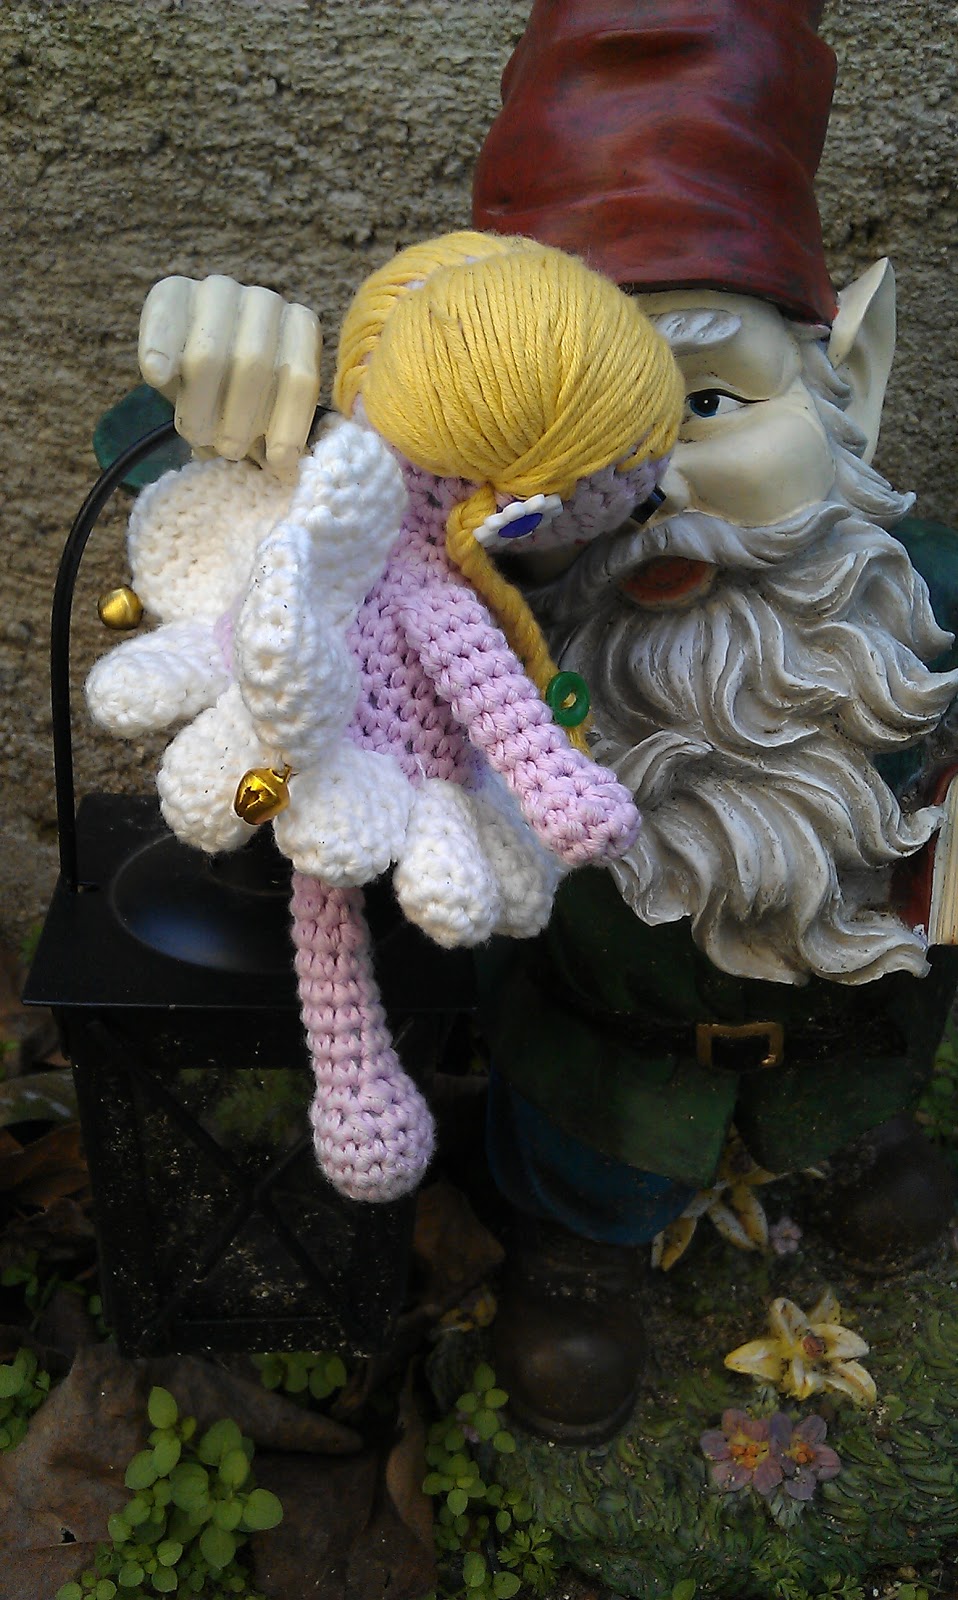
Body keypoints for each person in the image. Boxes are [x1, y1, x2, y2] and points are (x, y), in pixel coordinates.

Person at [134, 0, 958, 1444]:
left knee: (879, 1168)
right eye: (570, 437)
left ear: (858, 381)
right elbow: (279, 597)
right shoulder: (478, 630)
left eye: (709, 398)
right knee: (585, 1198)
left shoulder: (913, 605)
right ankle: (582, 1242)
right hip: (594, 1074)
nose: (648, 487)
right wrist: (240, 442)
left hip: (855, 1038)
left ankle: (840, 1142)